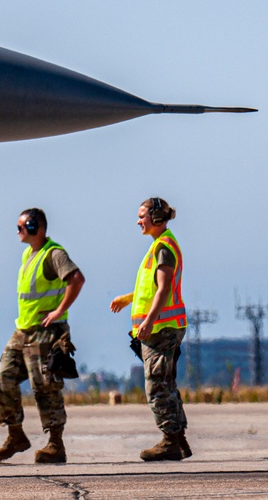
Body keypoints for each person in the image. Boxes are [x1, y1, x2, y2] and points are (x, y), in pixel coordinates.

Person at [0, 208, 85, 464]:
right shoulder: (28, 254)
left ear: (36, 228)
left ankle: (56, 444)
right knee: (4, 380)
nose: (18, 231)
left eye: (22, 226)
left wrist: (59, 311)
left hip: (45, 333)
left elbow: (76, 279)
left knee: (45, 388)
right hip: (22, 331)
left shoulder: (53, 254)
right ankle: (16, 435)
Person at [110, 197, 190, 461]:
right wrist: (129, 298)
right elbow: (153, 287)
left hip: (162, 328)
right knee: (165, 382)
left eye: (142, 215)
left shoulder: (163, 247)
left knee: (156, 385)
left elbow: (164, 289)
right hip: (163, 327)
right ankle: (178, 440)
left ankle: (170, 441)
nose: (138, 221)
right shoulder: (159, 246)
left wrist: (149, 321)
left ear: (156, 218)